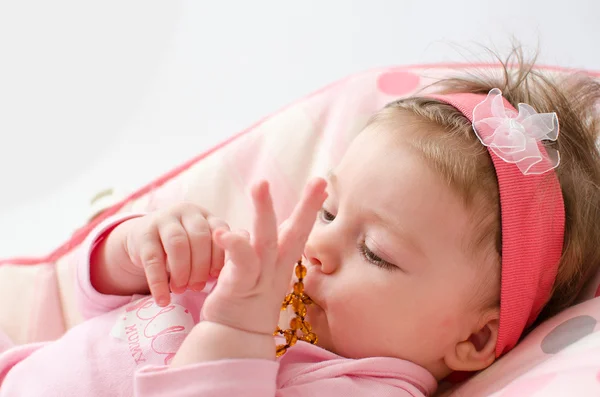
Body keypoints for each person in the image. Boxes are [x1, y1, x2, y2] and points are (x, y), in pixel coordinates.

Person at [1, 49, 599, 396]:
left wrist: (235, 329)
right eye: (330, 212)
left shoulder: (362, 388)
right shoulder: (264, 270)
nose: (318, 247)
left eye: (377, 253)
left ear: (472, 340)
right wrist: (140, 250)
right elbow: (93, 304)